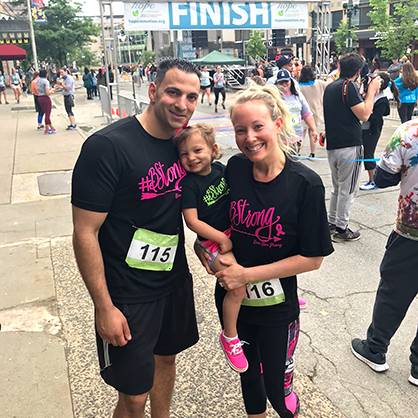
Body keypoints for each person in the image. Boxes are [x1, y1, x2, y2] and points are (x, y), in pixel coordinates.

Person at [71, 58, 201, 418]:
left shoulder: (182, 144)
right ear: (153, 91)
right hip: (127, 293)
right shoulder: (107, 146)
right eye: (174, 92)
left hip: (173, 282)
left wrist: (206, 242)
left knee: (166, 360)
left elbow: (187, 203)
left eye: (192, 96)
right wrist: (104, 306)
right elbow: (85, 231)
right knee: (132, 395)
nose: (182, 104)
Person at [202, 83, 333, 418]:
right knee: (248, 377)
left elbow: (313, 258)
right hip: (234, 302)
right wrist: (211, 256)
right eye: (240, 129)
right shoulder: (234, 169)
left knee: (278, 387)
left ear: (277, 123)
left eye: (257, 126)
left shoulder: (305, 183)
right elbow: (210, 229)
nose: (249, 138)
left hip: (277, 310)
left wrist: (246, 274)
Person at [175, 124, 248, 373]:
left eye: (197, 150)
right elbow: (192, 221)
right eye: (184, 154)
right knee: (236, 286)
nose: (191, 157)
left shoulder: (221, 170)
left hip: (234, 233)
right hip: (212, 243)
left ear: (213, 149)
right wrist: (220, 238)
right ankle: (230, 336)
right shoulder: (188, 185)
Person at [351, 119, 418, 388]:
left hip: (410, 233)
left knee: (393, 292)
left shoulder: (409, 132)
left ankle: (376, 348)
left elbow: (383, 177)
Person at [323, 53, 381, 242]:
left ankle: (333, 222)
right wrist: (372, 91)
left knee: (338, 187)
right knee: (348, 189)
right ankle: (342, 227)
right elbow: (364, 114)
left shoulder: (331, 87)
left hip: (334, 145)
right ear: (358, 71)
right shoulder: (348, 87)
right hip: (350, 145)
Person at [359, 72, 399, 190]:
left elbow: (376, 118)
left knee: (368, 154)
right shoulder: (370, 95)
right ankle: (374, 178)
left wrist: (365, 113)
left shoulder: (381, 100)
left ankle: (373, 180)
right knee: (365, 153)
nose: (370, 80)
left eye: (374, 79)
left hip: (372, 130)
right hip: (365, 128)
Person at [275, 69, 319, 155]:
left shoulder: (298, 95)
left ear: (290, 81)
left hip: (296, 138)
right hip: (280, 139)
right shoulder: (274, 97)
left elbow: (307, 114)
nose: (284, 84)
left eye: (286, 81)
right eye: (281, 82)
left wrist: (313, 130)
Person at [299, 65, 329, 158]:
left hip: (303, 112)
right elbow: (330, 86)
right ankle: (312, 153)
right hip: (316, 111)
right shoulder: (319, 83)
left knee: (301, 133)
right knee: (313, 132)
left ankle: (297, 151)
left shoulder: (299, 86)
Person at [36, 69, 56, 135]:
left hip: (39, 97)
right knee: (47, 114)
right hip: (45, 98)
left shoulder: (38, 81)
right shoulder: (45, 81)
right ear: (46, 74)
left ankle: (51, 127)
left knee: (45, 112)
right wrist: (52, 91)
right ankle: (47, 129)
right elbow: (47, 93)